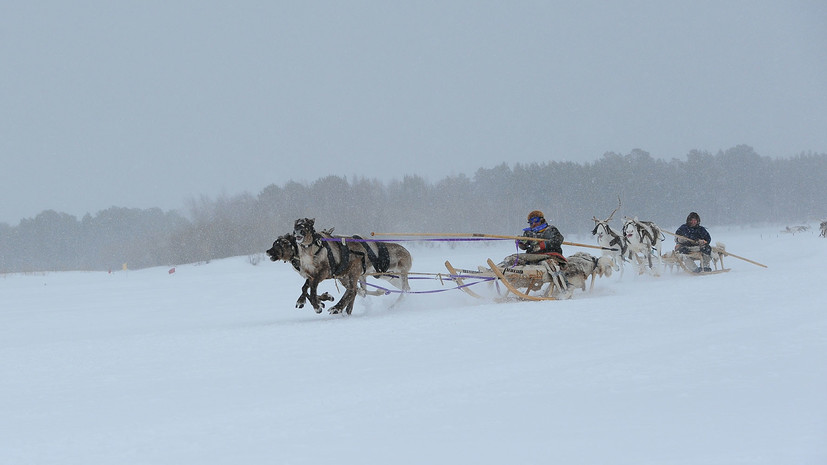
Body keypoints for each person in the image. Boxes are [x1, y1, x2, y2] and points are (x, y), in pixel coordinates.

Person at [499, 210, 565, 267]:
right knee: (512, 258)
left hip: (550, 255)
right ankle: (497, 270)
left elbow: (559, 240)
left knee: (546, 263)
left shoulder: (550, 229)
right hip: (532, 256)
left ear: (541, 220)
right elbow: (525, 247)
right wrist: (521, 243)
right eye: (531, 222)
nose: (533, 223)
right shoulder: (528, 232)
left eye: (536, 220)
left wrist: (543, 245)